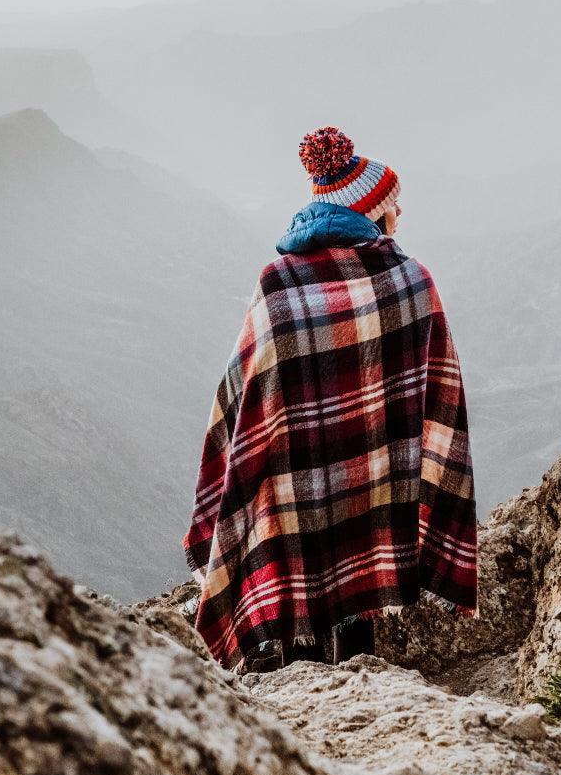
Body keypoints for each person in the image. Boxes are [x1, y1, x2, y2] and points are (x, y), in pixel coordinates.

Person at [183, 126, 478, 672]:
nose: (399, 220)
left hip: (294, 483)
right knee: (359, 565)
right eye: (395, 209)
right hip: (373, 477)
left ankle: (305, 683)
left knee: (302, 572)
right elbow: (438, 393)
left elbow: (241, 391)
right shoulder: (410, 278)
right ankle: (355, 681)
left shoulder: (277, 283)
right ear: (374, 213)